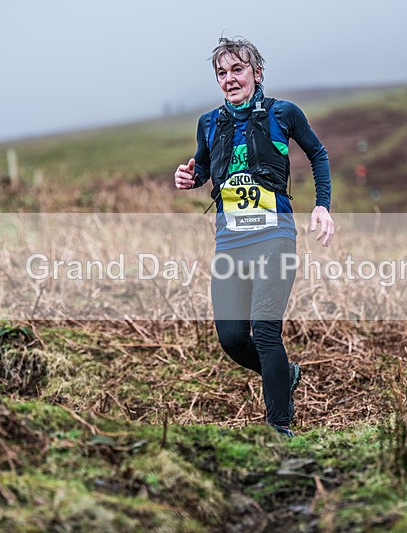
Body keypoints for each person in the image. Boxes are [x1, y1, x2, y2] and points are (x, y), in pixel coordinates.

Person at [174, 37, 335, 437]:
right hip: (229, 242)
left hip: (274, 236)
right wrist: (189, 178)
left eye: (237, 70)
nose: (230, 79)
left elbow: (318, 154)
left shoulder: (285, 113)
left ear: (256, 73)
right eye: (222, 73)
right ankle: (286, 373)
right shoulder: (208, 123)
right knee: (231, 338)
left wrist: (322, 205)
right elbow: (205, 169)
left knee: (265, 331)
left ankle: (279, 427)